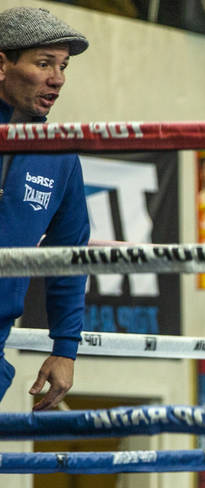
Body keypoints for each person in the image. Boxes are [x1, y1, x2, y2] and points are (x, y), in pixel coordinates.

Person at [0, 6, 90, 410]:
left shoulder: (60, 155)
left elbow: (68, 255)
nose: (58, 79)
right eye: (44, 63)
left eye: (63, 66)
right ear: (2, 65)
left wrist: (65, 348)